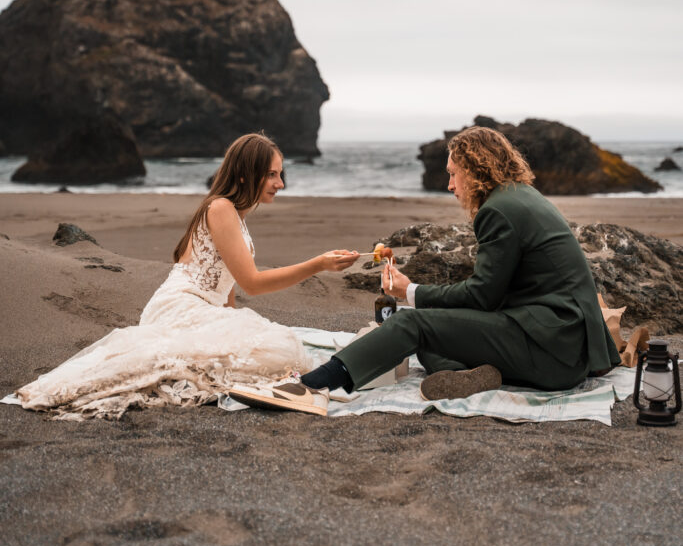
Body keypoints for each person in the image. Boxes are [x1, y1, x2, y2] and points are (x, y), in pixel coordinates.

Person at [229, 125, 620, 415]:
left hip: (551, 348)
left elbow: (483, 296)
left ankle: (311, 388)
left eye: (453, 173)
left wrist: (409, 292)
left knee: (410, 325)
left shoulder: (498, 211)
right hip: (566, 349)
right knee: (433, 333)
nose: (450, 185)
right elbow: (495, 294)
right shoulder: (522, 197)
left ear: (475, 168)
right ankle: (471, 375)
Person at [13, 132, 358, 419]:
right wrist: (318, 264)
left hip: (202, 308)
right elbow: (252, 281)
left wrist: (235, 325)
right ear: (244, 174)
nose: (279, 183)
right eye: (271, 174)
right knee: (281, 350)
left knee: (274, 348)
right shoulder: (220, 208)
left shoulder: (234, 213)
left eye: (280, 174)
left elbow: (229, 287)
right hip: (181, 307)